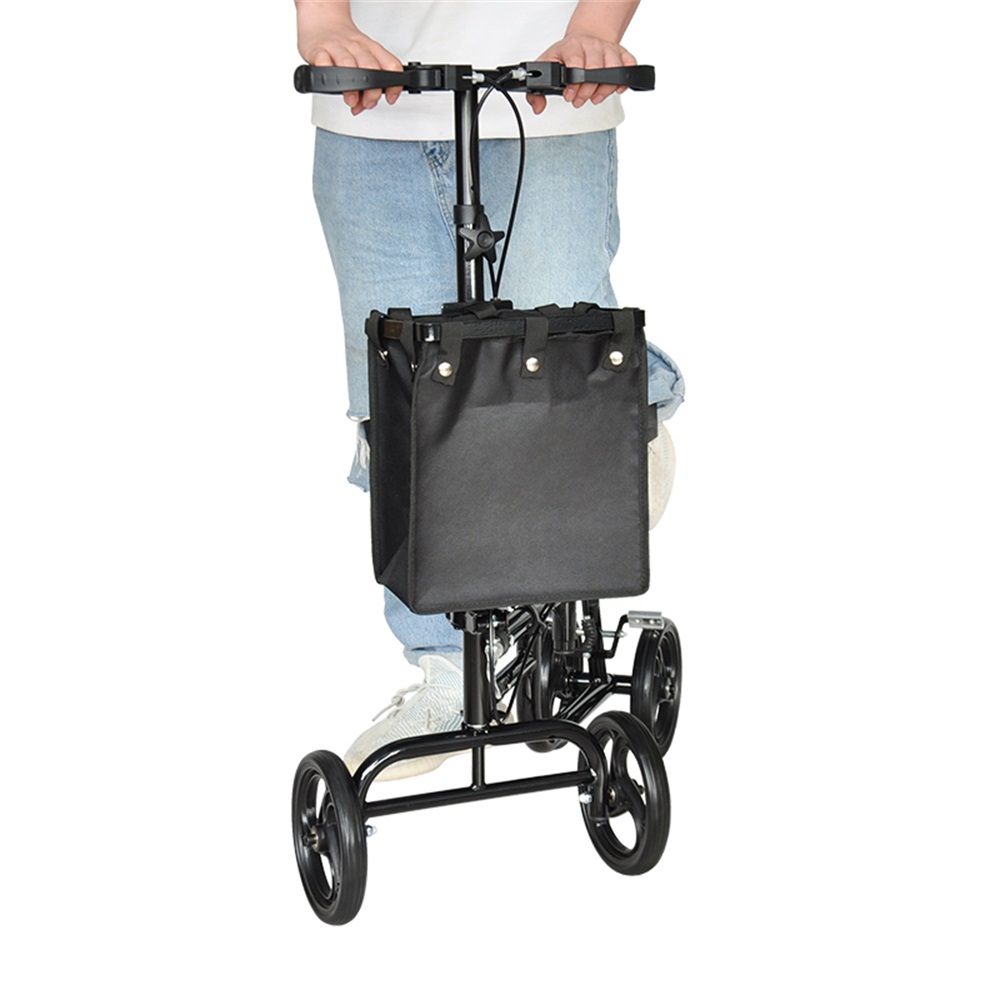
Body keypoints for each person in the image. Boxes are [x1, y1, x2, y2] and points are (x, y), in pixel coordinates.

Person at [295, 0, 684, 778]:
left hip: (551, 96)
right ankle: (445, 669)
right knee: (398, 400)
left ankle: (634, 420)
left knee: (561, 362)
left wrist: (598, 30)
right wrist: (323, 23)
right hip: (369, 107)